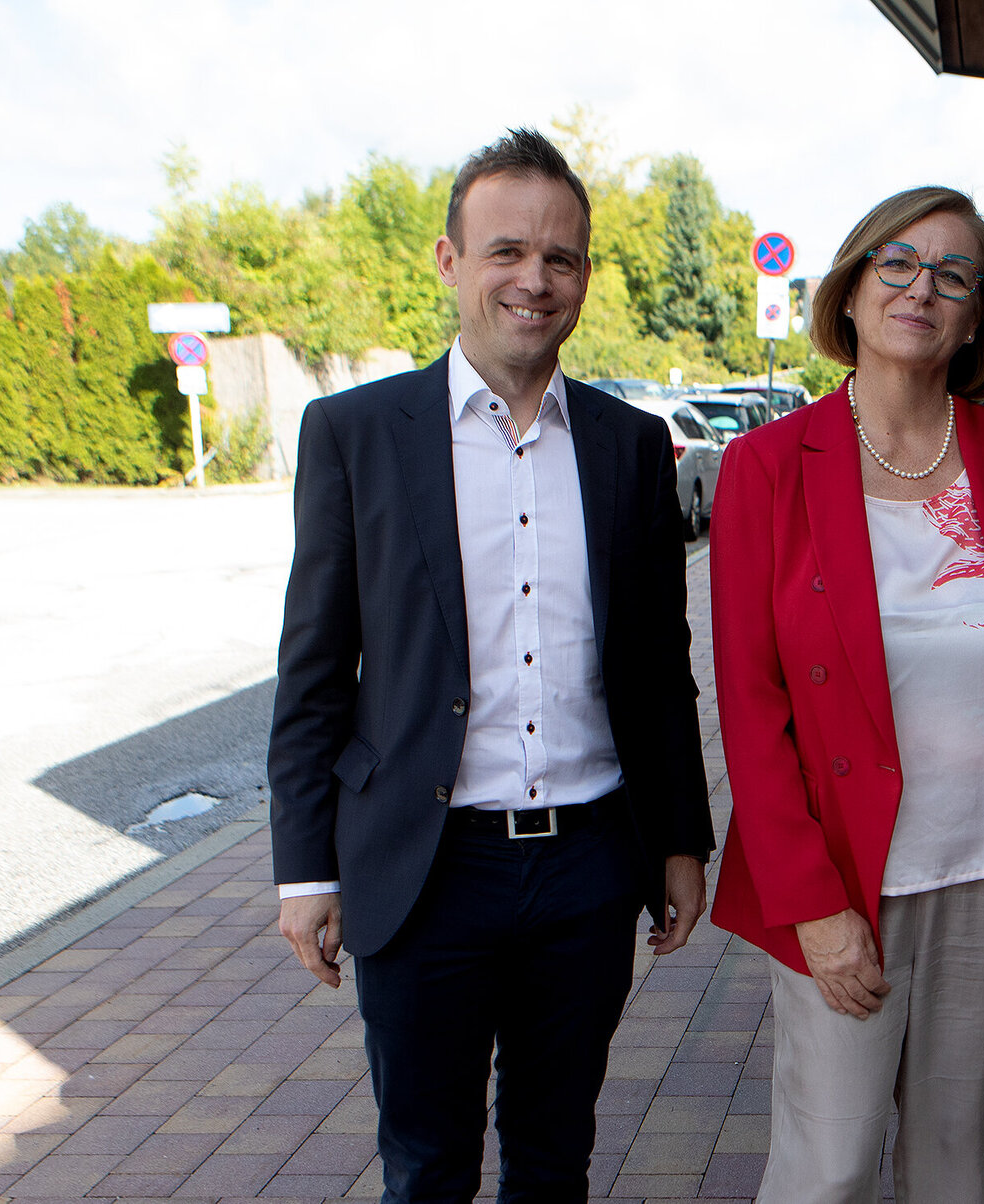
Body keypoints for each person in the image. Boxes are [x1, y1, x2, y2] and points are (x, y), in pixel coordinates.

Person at [268, 128, 714, 1204]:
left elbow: (660, 662)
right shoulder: (355, 433)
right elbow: (316, 668)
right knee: (426, 1164)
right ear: (449, 260)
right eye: (506, 250)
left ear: (585, 278)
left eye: (560, 258)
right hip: (425, 870)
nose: (534, 278)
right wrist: (305, 866)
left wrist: (683, 840)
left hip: (586, 865)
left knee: (556, 1158)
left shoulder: (625, 444)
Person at [709, 186, 984, 1202]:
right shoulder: (767, 467)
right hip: (845, 883)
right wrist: (814, 906)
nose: (922, 287)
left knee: (976, 1171)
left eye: (953, 273)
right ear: (852, 284)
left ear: (977, 317)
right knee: (826, 1171)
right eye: (897, 262)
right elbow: (751, 707)